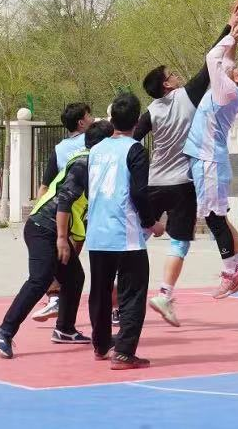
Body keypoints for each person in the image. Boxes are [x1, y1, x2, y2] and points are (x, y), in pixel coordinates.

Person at [138, 8, 238, 327]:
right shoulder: (187, 97)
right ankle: (164, 294)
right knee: (180, 242)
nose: (176, 75)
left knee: (137, 237)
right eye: (171, 74)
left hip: (155, 182)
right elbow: (209, 63)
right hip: (183, 184)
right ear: (167, 85)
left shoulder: (151, 111)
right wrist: (229, 29)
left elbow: (131, 137)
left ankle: (118, 292)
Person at [0, 120, 115, 358]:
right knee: (40, 279)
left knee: (74, 277)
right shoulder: (84, 164)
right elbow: (65, 200)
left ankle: (65, 329)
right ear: (103, 144)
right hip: (43, 227)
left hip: (54, 229)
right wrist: (61, 238)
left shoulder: (96, 163)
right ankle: (3, 331)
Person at [182, 19, 238, 299]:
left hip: (209, 162)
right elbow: (226, 63)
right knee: (217, 217)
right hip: (209, 160)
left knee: (213, 218)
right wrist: (234, 39)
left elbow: (212, 58)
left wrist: (229, 38)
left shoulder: (227, 90)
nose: (234, 67)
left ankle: (231, 270)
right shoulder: (233, 90)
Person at [85, 93, 164, 370]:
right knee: (133, 294)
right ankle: (124, 352)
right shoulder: (135, 150)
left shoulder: (96, 150)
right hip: (125, 232)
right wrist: (150, 222)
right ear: (137, 120)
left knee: (100, 291)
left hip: (97, 231)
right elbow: (139, 192)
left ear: (111, 119)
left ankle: (100, 345)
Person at [32, 102, 92, 323]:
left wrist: (37, 214)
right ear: (81, 122)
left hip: (56, 212)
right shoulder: (93, 143)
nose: (93, 119)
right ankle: (114, 307)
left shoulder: (59, 148)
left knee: (60, 261)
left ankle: (56, 300)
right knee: (69, 264)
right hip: (78, 211)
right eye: (89, 115)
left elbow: (44, 186)